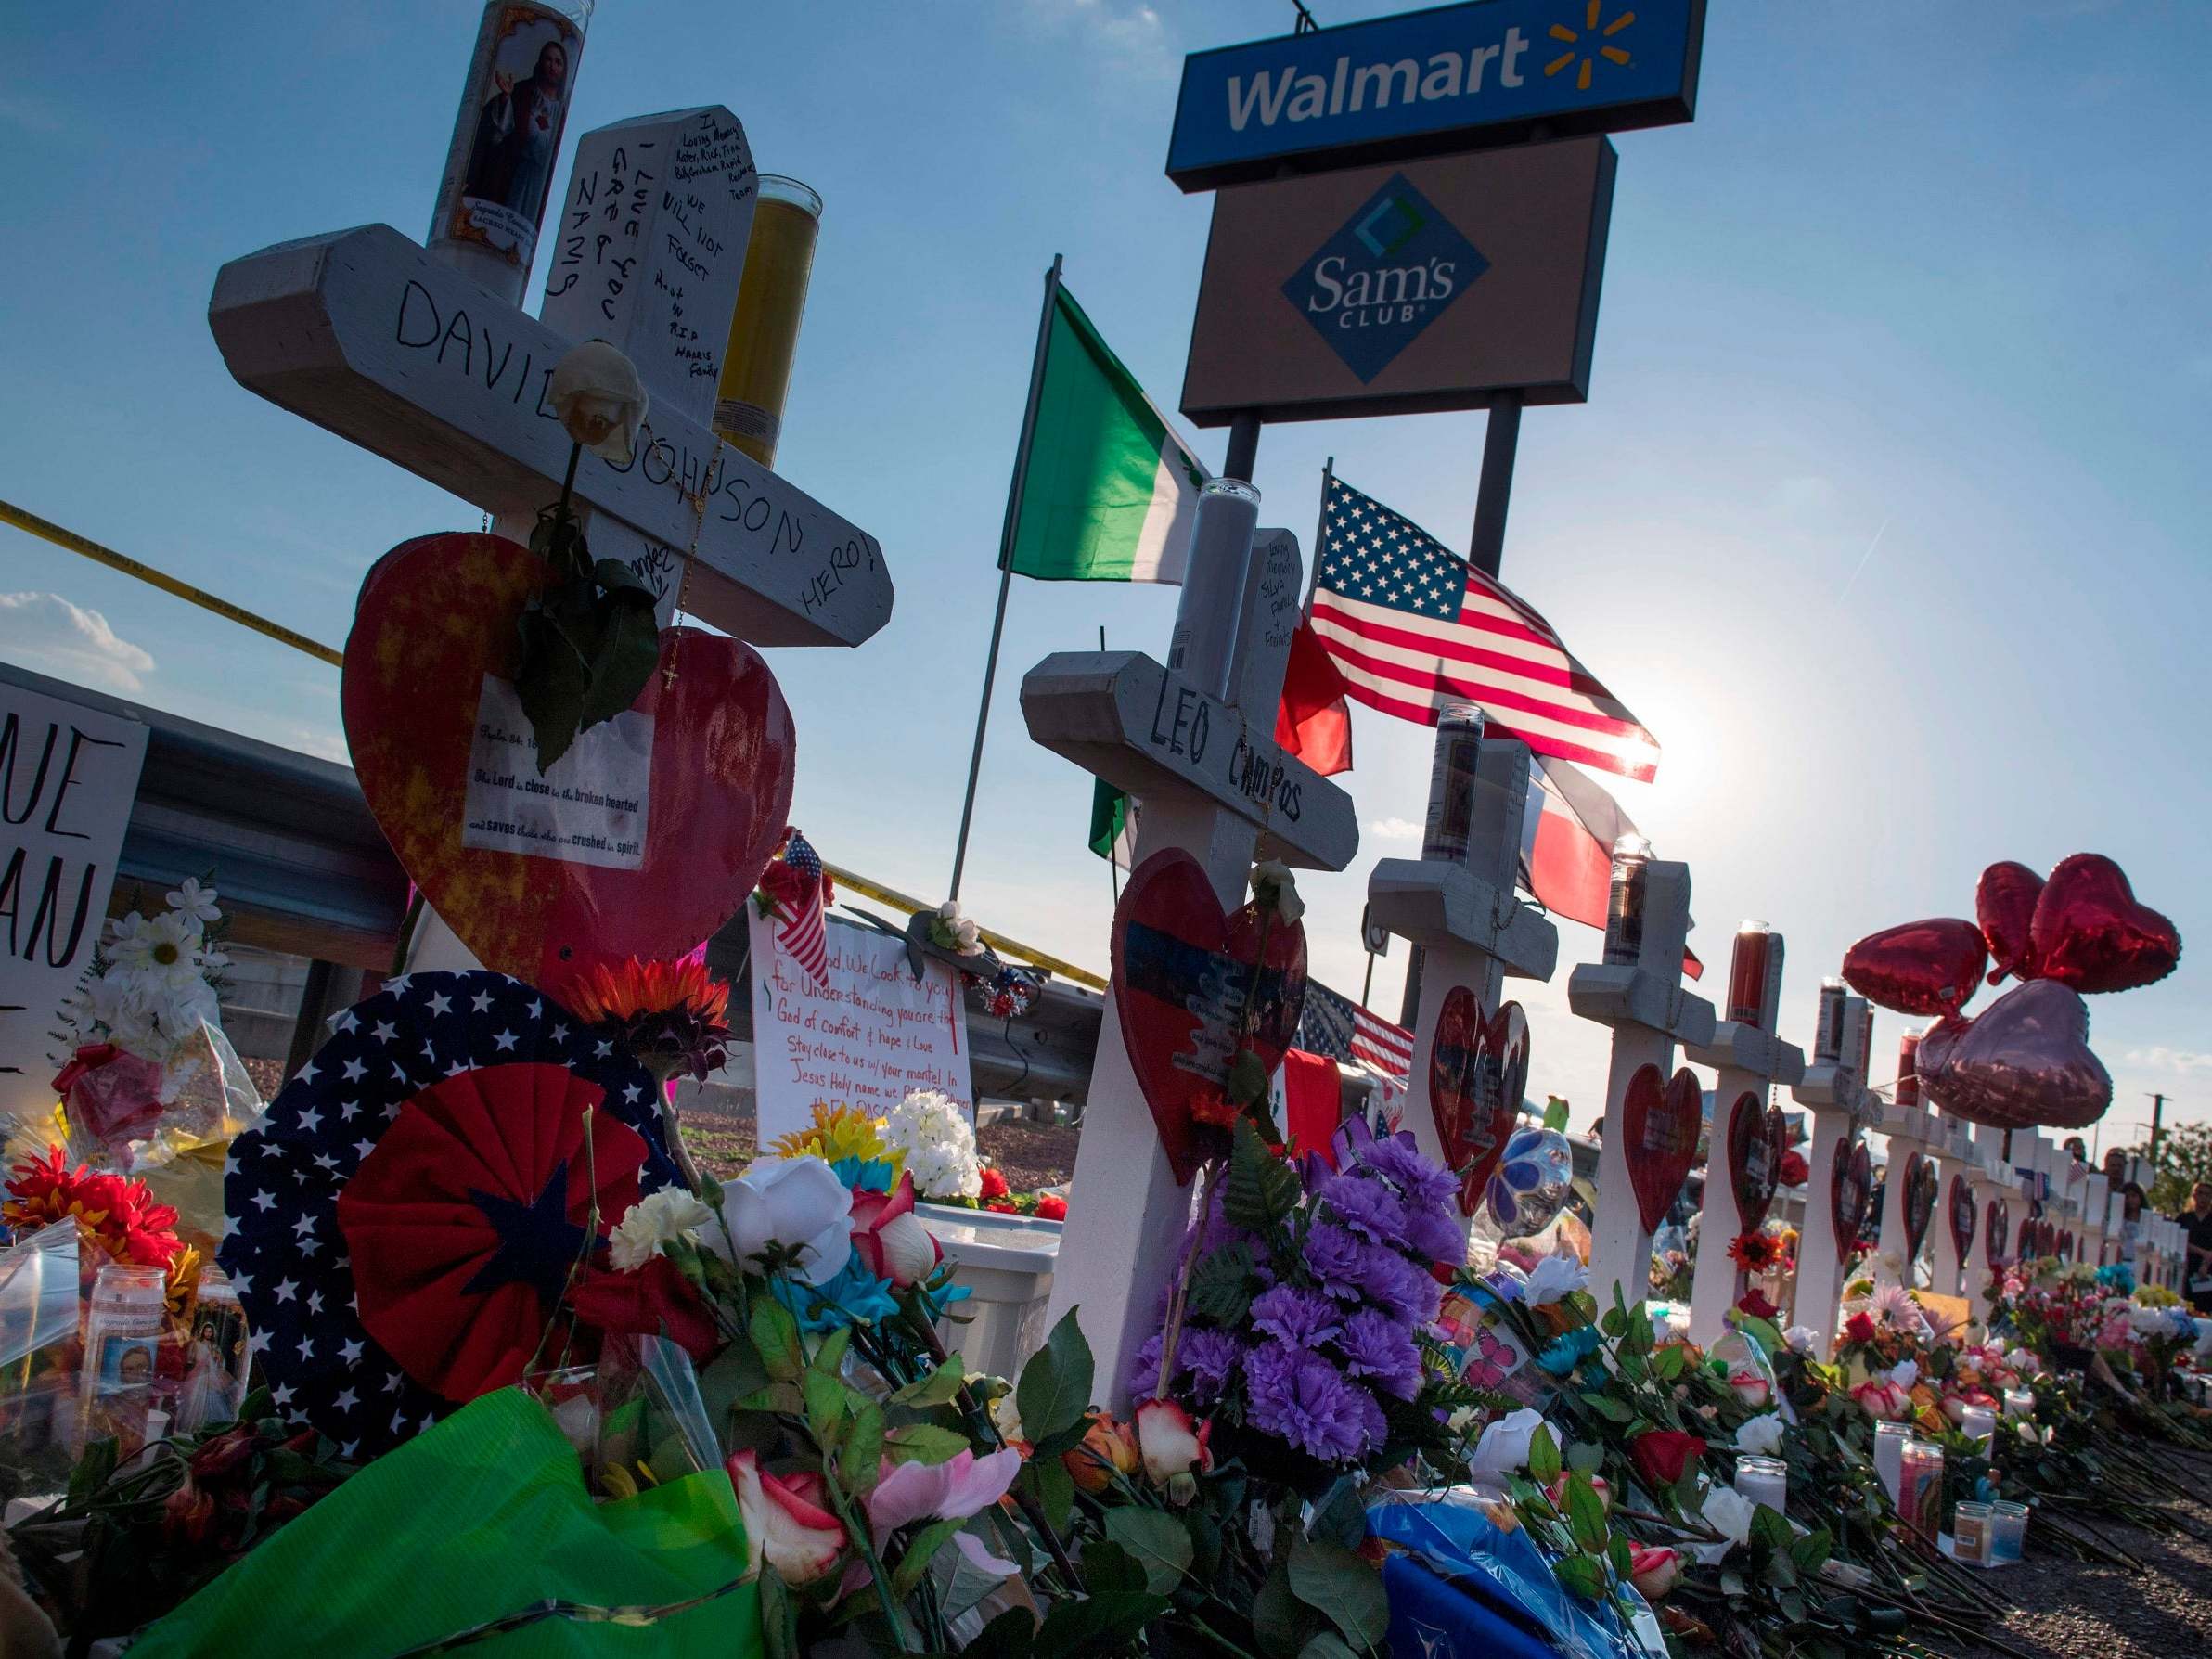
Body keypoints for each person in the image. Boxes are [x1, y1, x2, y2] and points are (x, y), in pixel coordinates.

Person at [463, 37, 569, 214]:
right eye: (548, 59)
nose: (552, 66)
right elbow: (499, 133)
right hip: (510, 176)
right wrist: (505, 99)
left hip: (536, 182)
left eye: (558, 62)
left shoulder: (560, 111)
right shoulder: (523, 92)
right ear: (540, 62)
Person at [2181, 1181, 2212, 1315]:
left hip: (2208, 1271)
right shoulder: (2184, 1218)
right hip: (2186, 1268)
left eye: (2207, 1194)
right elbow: (2179, 1241)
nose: (2203, 1197)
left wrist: (2206, 1262)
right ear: (2194, 1195)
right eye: (2200, 1193)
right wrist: (2201, 1251)